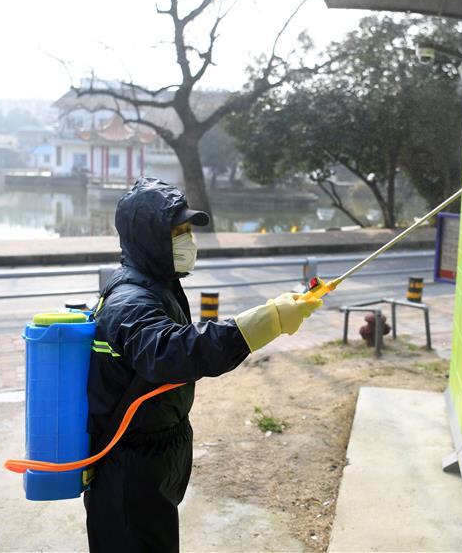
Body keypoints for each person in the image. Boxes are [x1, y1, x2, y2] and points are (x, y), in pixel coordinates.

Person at [84, 177, 321, 552]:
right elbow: (174, 353)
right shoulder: (129, 301)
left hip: (156, 451)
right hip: (128, 465)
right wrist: (266, 321)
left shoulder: (157, 284)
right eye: (177, 231)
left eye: (187, 231)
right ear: (149, 238)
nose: (188, 240)